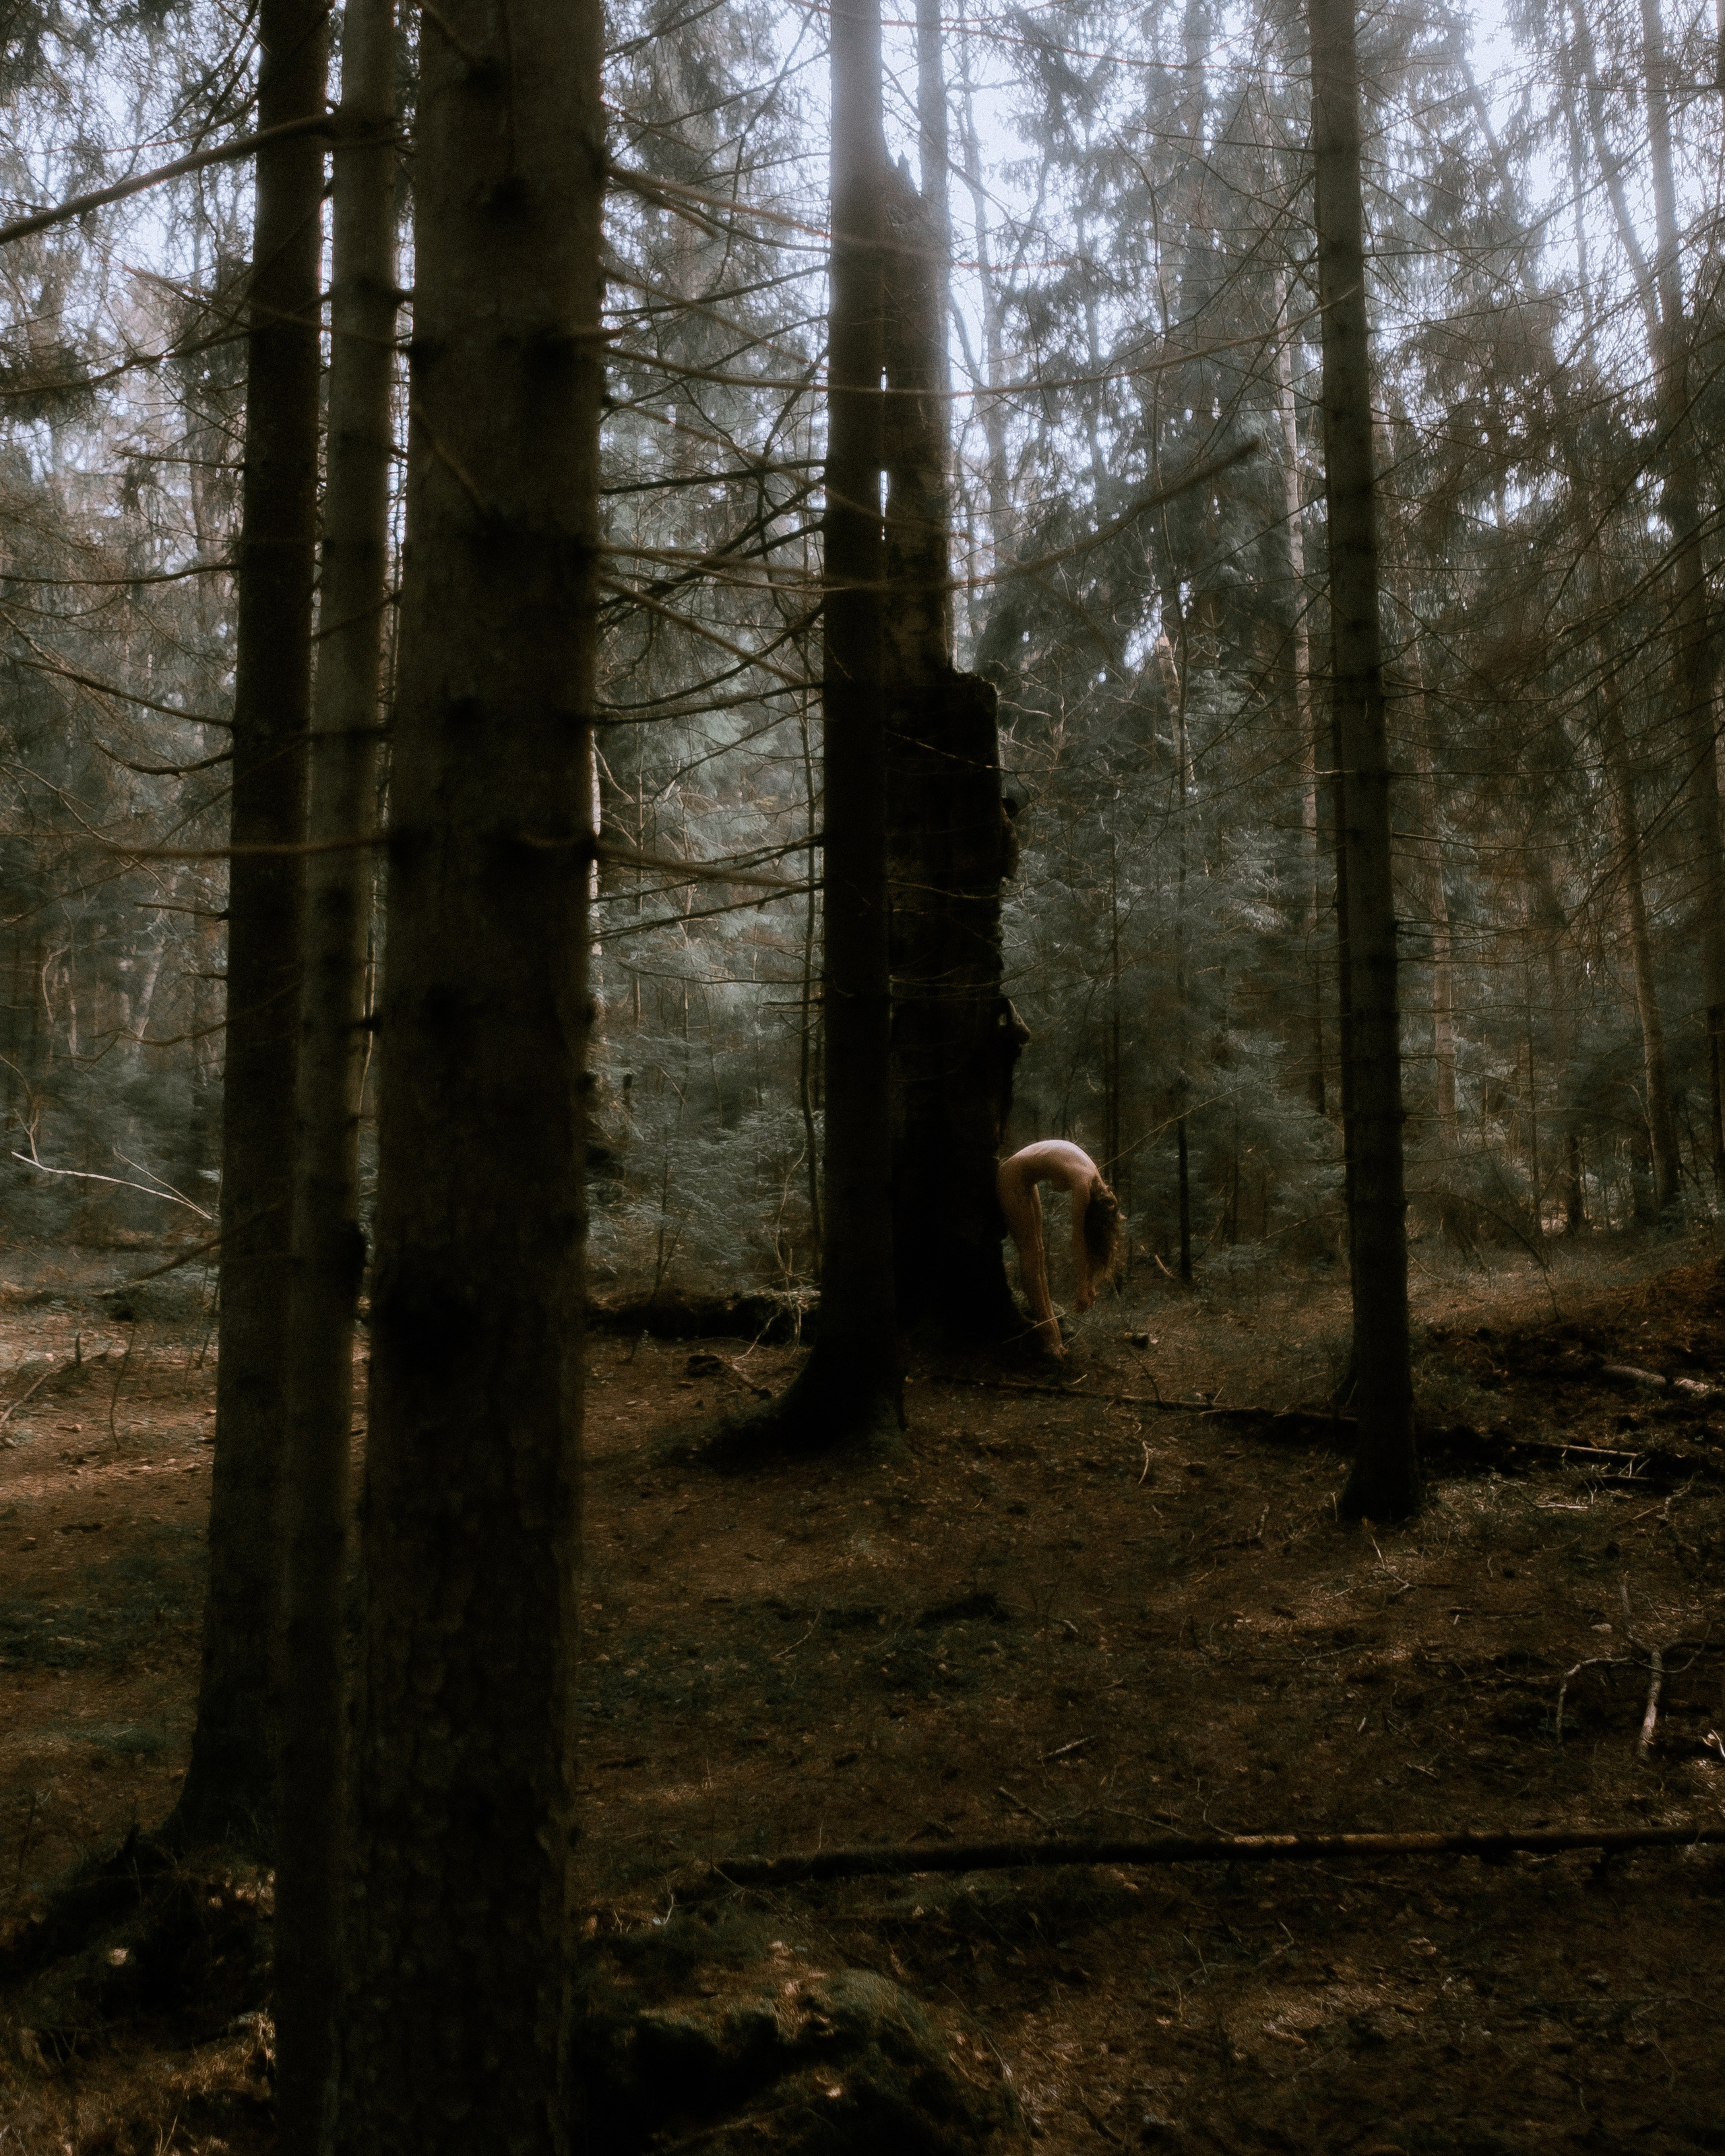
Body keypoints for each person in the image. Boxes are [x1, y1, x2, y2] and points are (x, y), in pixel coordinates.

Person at [997, 1139, 1123, 1356]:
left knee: (1039, 1255)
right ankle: (1050, 1340)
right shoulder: (1085, 1184)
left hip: (1024, 1178)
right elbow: (1078, 1238)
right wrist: (1082, 1285)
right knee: (1031, 1256)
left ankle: (1055, 1339)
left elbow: (1091, 1238)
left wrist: (1089, 1282)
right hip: (1012, 1177)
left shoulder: (1099, 1187)